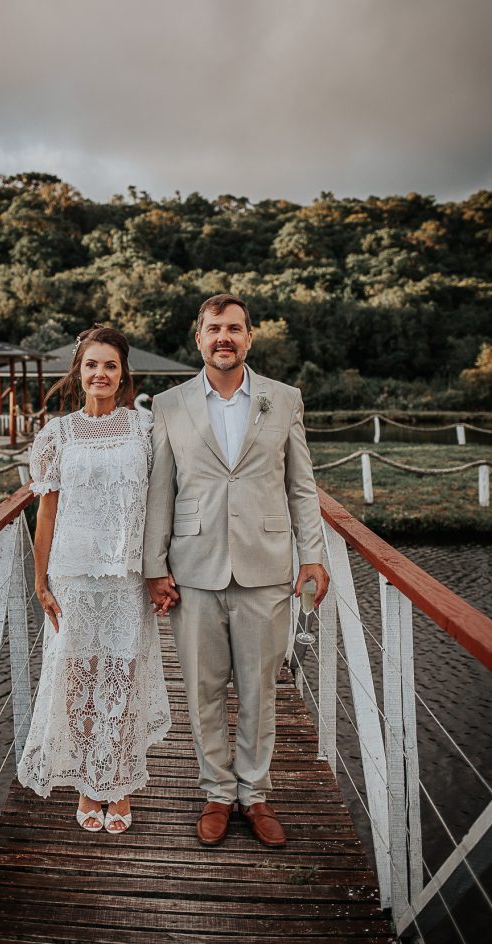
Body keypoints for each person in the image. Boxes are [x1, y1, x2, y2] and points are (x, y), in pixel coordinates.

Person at [144, 293, 329, 848]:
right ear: (197, 338)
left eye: (234, 329)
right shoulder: (169, 405)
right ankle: (217, 793)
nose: (224, 338)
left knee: (259, 691)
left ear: (250, 337)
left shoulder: (284, 398)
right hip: (194, 569)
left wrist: (313, 554)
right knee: (201, 691)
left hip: (266, 566)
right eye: (213, 329)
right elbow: (161, 491)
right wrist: (155, 566)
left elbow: (301, 485)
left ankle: (256, 793)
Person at [18, 325, 171, 834]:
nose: (100, 374)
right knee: (76, 679)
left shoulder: (144, 429)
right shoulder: (56, 435)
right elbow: (47, 512)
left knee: (122, 678)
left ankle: (118, 781)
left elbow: (161, 504)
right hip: (72, 577)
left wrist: (159, 570)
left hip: (128, 578)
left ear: (122, 372)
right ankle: (87, 782)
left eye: (110, 365)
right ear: (79, 372)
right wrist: (40, 581)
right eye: (91, 365)